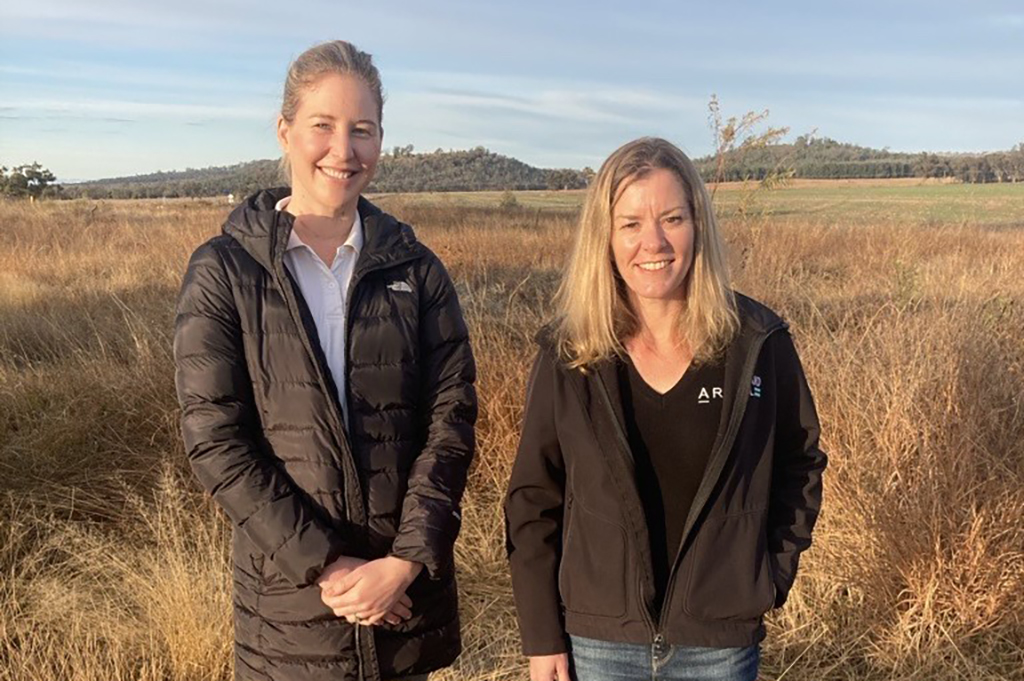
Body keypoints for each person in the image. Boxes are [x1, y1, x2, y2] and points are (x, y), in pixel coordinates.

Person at [173, 40, 476, 681]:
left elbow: (450, 422)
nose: (344, 151)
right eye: (324, 126)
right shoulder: (224, 272)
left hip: (402, 607)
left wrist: (405, 563)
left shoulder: (417, 270)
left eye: (362, 130)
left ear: (381, 141)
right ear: (284, 131)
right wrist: (330, 569)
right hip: (292, 615)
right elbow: (216, 442)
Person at [504, 137, 826, 681]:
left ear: (697, 225)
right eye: (630, 223)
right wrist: (541, 636)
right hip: (598, 644)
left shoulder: (755, 342)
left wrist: (766, 577)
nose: (652, 241)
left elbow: (800, 463)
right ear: (604, 238)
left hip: (718, 643)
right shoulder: (570, 352)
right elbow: (534, 497)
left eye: (671, 218)